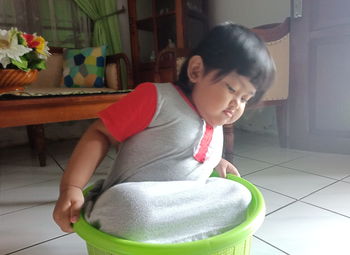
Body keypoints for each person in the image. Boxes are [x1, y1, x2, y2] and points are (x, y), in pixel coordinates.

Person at [53, 21, 275, 242]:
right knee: (130, 207)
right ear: (196, 70)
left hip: (172, 214)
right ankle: (182, 235)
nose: (236, 104)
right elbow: (100, 133)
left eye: (245, 98)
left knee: (241, 196)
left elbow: (191, 155)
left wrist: (216, 162)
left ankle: (177, 238)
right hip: (131, 207)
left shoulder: (215, 124)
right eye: (231, 89)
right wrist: (71, 187)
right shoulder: (156, 98)